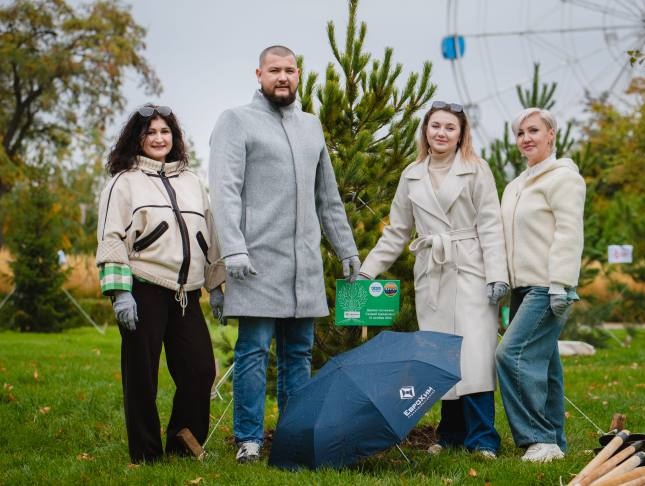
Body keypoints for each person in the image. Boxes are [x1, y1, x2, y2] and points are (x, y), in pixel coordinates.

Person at [208, 45, 360, 463]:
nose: (283, 77)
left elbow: (328, 197)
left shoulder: (311, 126)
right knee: (254, 351)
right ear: (258, 73)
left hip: (304, 267)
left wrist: (345, 247)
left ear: (298, 75)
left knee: (298, 355)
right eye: (274, 70)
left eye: (289, 70)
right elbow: (223, 191)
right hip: (254, 262)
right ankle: (249, 440)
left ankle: (293, 435)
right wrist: (234, 248)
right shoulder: (236, 121)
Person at [357, 101, 509, 459]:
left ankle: (483, 438)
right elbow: (397, 231)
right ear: (425, 130)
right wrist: (367, 270)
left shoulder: (476, 169)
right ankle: (451, 433)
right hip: (432, 271)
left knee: (474, 353)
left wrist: (497, 275)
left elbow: (490, 224)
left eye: (449, 128)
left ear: (461, 134)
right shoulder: (412, 174)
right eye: (435, 126)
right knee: (441, 355)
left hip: (471, 267)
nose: (441, 133)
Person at [96, 103, 226, 464]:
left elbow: (211, 235)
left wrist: (215, 286)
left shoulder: (192, 182)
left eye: (164, 131)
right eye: (150, 132)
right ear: (137, 139)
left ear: (174, 136)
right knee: (142, 377)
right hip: (142, 289)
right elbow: (110, 238)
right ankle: (146, 453)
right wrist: (120, 292)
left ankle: (183, 445)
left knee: (200, 370)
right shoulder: (123, 182)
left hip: (186, 295)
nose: (158, 138)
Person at [496, 107, 586, 463]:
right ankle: (555, 441)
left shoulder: (563, 178)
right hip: (521, 288)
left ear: (551, 135)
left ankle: (537, 437)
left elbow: (569, 232)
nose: (526, 138)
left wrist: (561, 283)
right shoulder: (516, 185)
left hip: (548, 287)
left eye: (533, 130)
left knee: (510, 355)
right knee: (546, 364)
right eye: (520, 133)